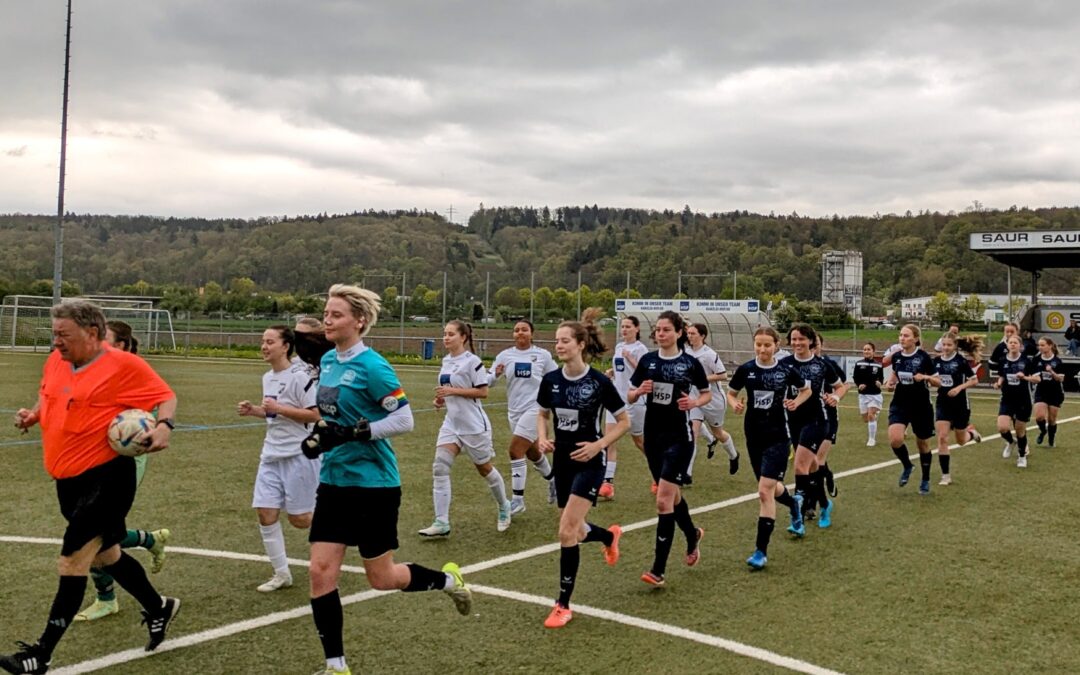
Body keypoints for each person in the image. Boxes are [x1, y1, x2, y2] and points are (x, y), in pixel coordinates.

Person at [301, 285, 471, 675]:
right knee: (319, 571)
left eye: (336, 315)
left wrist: (355, 433)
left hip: (374, 485)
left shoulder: (373, 366)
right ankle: (336, 666)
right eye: (326, 314)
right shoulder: (328, 360)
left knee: (381, 578)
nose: (328, 320)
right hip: (334, 482)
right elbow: (331, 415)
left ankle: (448, 581)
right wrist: (320, 436)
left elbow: (404, 420)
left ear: (359, 321)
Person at [5, 300, 180, 674]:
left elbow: (165, 396)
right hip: (68, 482)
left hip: (108, 479)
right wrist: (34, 415)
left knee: (72, 561)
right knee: (106, 556)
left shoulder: (122, 364)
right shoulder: (57, 361)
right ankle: (159, 607)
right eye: (54, 334)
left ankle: (40, 654)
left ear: (93, 333)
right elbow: (50, 395)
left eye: (63, 335)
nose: (56, 341)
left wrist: (164, 426)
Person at [71, 320, 171, 623]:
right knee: (95, 533)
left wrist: (154, 429)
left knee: (92, 535)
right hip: (90, 460)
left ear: (122, 346)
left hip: (124, 462)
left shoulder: (133, 373)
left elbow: (160, 403)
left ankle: (107, 599)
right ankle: (149, 540)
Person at [536, 309, 629, 628]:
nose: (559, 345)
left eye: (565, 341)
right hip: (562, 460)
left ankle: (563, 605)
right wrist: (542, 438)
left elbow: (624, 422)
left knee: (566, 531)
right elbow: (542, 413)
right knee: (575, 529)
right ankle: (608, 536)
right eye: (556, 341)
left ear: (580, 344)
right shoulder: (551, 380)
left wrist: (599, 445)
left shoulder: (599, 382)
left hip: (590, 461)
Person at [237, 326, 321, 592]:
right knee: (265, 513)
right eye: (263, 341)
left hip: (299, 455)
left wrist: (279, 408)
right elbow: (273, 413)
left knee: (300, 520)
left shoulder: (300, 377)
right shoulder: (268, 377)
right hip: (271, 454)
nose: (264, 346)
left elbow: (315, 414)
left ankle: (337, 524)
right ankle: (281, 573)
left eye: (270, 342)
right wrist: (255, 411)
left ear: (285, 346)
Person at [629, 311, 709, 587]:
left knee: (663, 500)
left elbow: (706, 393)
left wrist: (694, 403)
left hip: (679, 438)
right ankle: (692, 534)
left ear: (678, 333)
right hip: (653, 437)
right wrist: (639, 391)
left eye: (666, 330)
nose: (661, 334)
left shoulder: (689, 363)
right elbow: (629, 394)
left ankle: (658, 570)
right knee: (673, 497)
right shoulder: (647, 361)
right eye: (658, 330)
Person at [727, 327, 812, 570]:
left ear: (776, 345)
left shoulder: (785, 369)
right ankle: (793, 504)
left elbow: (806, 389)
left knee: (764, 491)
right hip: (753, 436)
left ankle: (760, 552)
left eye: (767, 345)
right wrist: (734, 404)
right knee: (771, 488)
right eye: (758, 344)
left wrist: (796, 402)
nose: (762, 349)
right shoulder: (746, 369)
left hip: (778, 437)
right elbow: (731, 393)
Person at [418, 320, 511, 537]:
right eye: (444, 334)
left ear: (463, 337)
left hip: (473, 425)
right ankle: (441, 522)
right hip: (452, 423)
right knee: (440, 467)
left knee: (484, 468)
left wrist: (452, 392)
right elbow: (447, 388)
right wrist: (440, 399)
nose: (446, 337)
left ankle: (504, 505)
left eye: (451, 334)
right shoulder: (446, 361)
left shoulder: (473, 361)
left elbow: (483, 392)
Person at [487, 320, 558, 514]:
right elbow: (488, 381)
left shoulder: (542, 355)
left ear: (532, 334)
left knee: (515, 450)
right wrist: (495, 375)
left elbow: (556, 378)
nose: (520, 333)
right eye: (516, 330)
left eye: (524, 330)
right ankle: (554, 480)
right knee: (532, 453)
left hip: (536, 409)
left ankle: (518, 501)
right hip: (514, 411)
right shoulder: (504, 355)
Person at [780, 324, 842, 530]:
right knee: (813, 465)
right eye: (794, 339)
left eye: (802, 339)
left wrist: (835, 397)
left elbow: (840, 386)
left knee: (800, 466)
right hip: (793, 421)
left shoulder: (821, 365)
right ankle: (824, 504)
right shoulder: (784, 364)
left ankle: (797, 517)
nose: (797, 343)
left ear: (811, 341)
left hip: (817, 420)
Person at [884, 324, 939, 495]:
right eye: (901, 335)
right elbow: (895, 373)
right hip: (900, 403)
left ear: (915, 339)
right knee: (895, 439)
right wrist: (890, 383)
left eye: (906, 335)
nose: (902, 338)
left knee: (922, 444)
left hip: (921, 405)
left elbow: (938, 381)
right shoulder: (896, 356)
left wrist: (925, 377)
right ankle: (907, 465)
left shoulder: (923, 357)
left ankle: (925, 479)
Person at [600, 316, 649, 499]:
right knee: (609, 441)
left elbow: (645, 373)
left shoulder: (640, 349)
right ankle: (608, 484)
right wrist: (611, 372)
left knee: (639, 442)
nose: (624, 330)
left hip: (634, 400)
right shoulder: (619, 346)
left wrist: (630, 359)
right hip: (615, 399)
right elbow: (620, 370)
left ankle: (660, 471)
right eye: (623, 326)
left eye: (628, 326)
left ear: (637, 329)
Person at [684, 323, 740, 479]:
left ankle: (734, 455)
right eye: (688, 333)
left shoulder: (709, 354)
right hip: (696, 400)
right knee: (692, 433)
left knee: (719, 433)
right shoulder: (686, 352)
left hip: (713, 401)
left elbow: (723, 375)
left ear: (702, 336)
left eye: (693, 333)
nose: (689, 336)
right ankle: (687, 473)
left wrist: (702, 379)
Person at [931, 333, 982, 486]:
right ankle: (945, 475)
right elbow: (935, 380)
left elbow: (974, 380)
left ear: (955, 346)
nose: (946, 348)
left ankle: (971, 434)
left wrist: (959, 388)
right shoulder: (936, 361)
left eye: (949, 345)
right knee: (942, 438)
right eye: (944, 345)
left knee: (960, 441)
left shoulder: (961, 361)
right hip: (943, 403)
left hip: (960, 404)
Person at [814, 336, 849, 500]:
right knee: (813, 458)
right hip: (808, 417)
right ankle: (827, 474)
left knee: (818, 459)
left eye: (816, 343)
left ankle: (815, 501)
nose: (813, 346)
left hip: (828, 416)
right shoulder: (798, 365)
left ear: (821, 345)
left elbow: (845, 384)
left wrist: (835, 396)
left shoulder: (829, 364)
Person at [994, 334, 1034, 468]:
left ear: (1020, 346)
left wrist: (1025, 377)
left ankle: (1022, 457)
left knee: (1020, 431)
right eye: (1010, 342)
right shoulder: (1002, 360)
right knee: (1002, 427)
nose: (1012, 344)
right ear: (1007, 345)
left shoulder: (1026, 361)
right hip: (1007, 399)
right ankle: (1011, 442)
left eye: (1015, 343)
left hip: (1023, 400)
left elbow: (1037, 379)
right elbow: (1002, 376)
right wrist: (999, 383)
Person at [1030, 337, 1066, 447]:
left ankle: (1051, 439)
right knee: (1039, 416)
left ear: (1050, 346)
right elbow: (1035, 376)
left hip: (1055, 392)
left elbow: (1060, 379)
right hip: (1041, 391)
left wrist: (1051, 372)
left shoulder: (1057, 361)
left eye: (1042, 345)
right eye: (1039, 345)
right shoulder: (1036, 360)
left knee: (1051, 419)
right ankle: (1043, 431)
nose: (1040, 347)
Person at [853, 342, 885, 447]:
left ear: (873, 351)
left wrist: (880, 383)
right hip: (863, 395)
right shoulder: (858, 364)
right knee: (865, 419)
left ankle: (872, 439)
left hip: (875, 395)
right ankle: (874, 415)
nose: (866, 351)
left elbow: (881, 378)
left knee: (871, 415)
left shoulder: (878, 364)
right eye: (865, 349)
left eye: (868, 349)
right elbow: (855, 377)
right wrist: (859, 385)